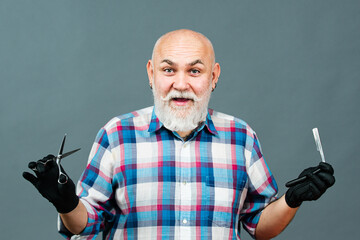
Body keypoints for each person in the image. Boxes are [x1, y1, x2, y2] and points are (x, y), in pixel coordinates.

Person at [23, 29, 335, 240]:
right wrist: (65, 204)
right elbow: (87, 226)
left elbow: (259, 226)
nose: (181, 83)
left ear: (213, 77)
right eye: (169, 70)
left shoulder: (242, 137)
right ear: (151, 74)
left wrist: (293, 200)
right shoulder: (116, 134)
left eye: (195, 71)